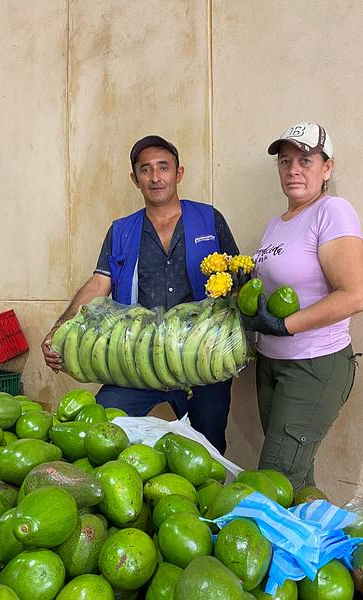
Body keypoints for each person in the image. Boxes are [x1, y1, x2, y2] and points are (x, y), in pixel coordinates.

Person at [42, 135, 240, 453]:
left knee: (208, 449)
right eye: (145, 170)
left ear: (179, 173)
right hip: (135, 359)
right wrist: (57, 330)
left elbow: (237, 280)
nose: (155, 177)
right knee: (99, 431)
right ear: (135, 179)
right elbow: (98, 285)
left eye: (164, 167)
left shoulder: (209, 220)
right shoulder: (122, 230)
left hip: (200, 361)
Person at [243, 122, 363, 489]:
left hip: (312, 366)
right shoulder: (277, 223)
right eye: (285, 162)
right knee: (295, 481)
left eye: (305, 160)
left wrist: (286, 326)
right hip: (272, 364)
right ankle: (321, 545)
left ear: (326, 168)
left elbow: (357, 294)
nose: (293, 170)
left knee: (272, 481)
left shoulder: (332, 211)